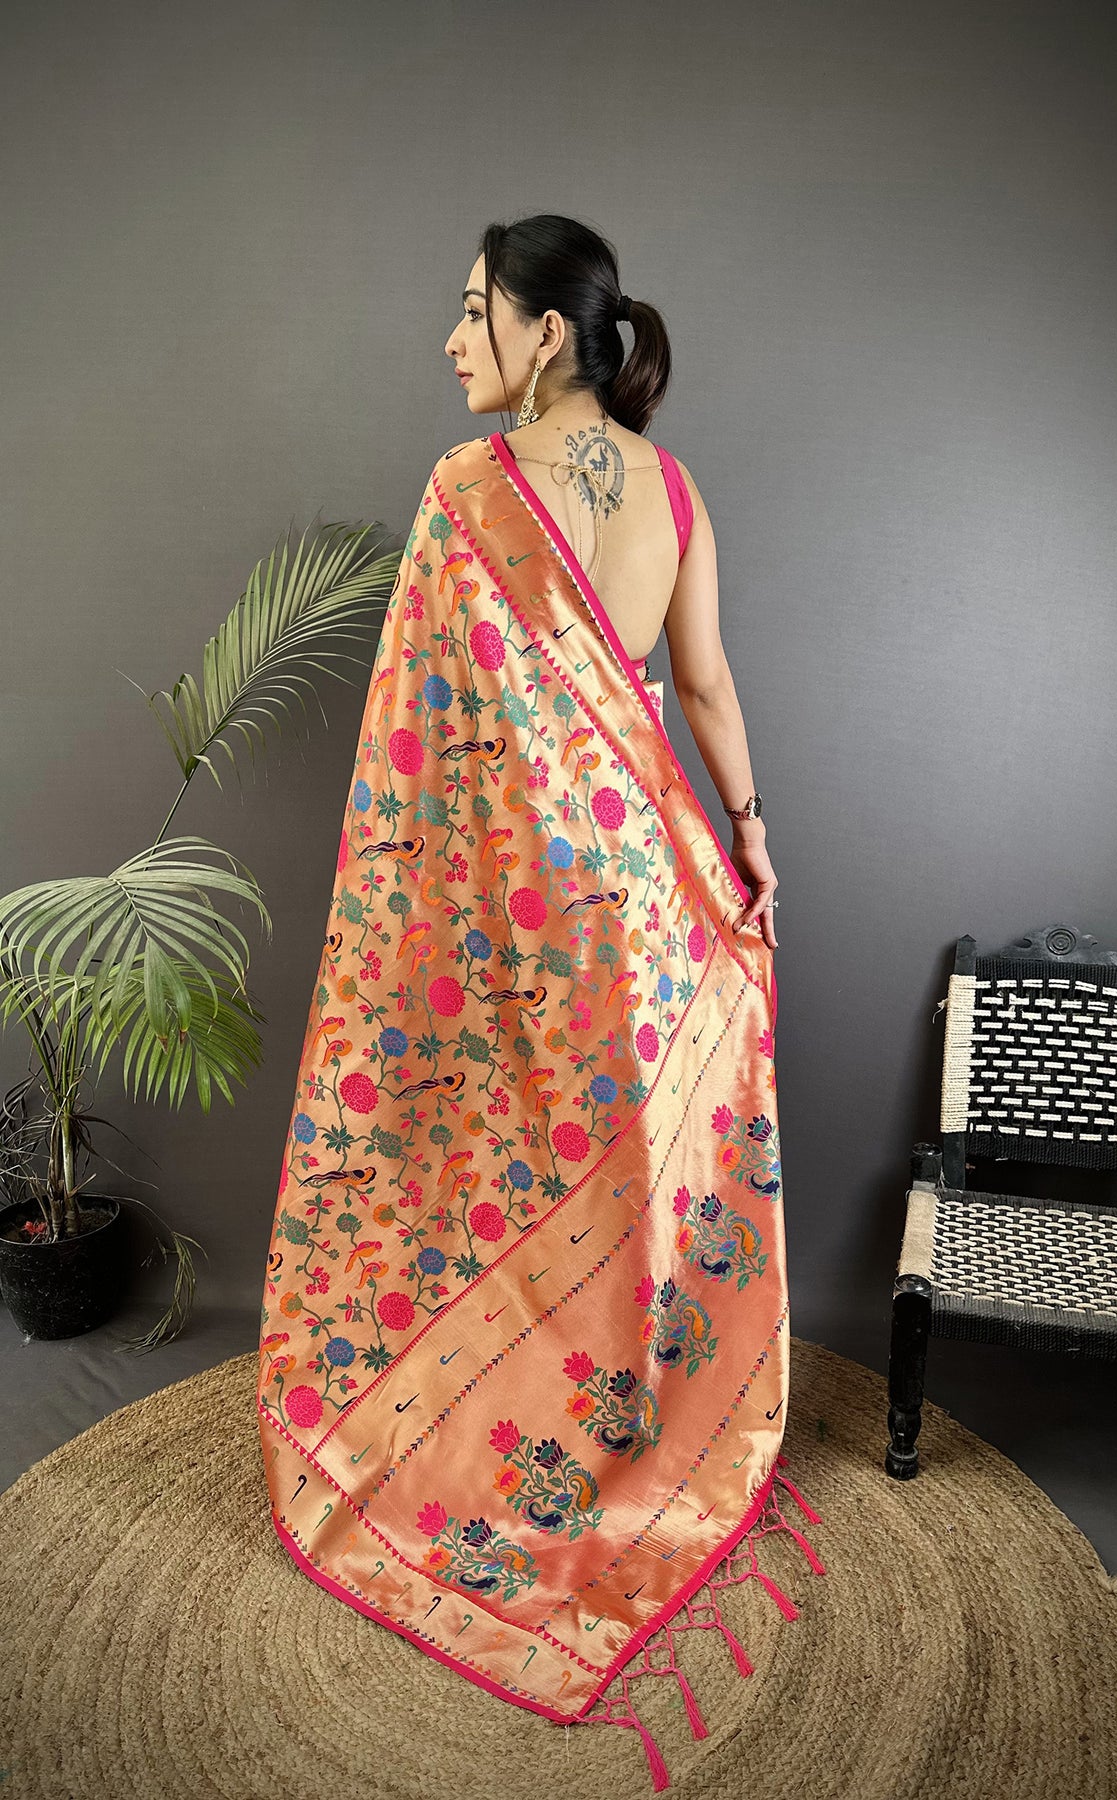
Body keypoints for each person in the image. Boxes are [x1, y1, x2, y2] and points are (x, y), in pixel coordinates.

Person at [256, 213, 826, 1791]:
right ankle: (634, 1427)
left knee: (493, 1158)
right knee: (628, 1173)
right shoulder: (676, 490)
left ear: (546, 333)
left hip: (519, 912)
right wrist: (751, 845)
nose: (451, 341)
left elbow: (425, 740)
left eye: (473, 313)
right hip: (641, 891)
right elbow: (701, 687)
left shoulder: (466, 489)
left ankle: (502, 1431)